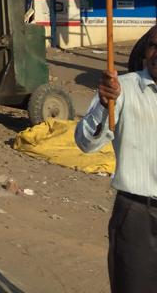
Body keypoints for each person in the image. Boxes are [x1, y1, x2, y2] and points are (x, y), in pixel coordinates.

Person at [75, 27, 157, 292]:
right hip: (137, 216)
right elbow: (85, 143)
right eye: (154, 46)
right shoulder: (122, 89)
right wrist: (103, 104)